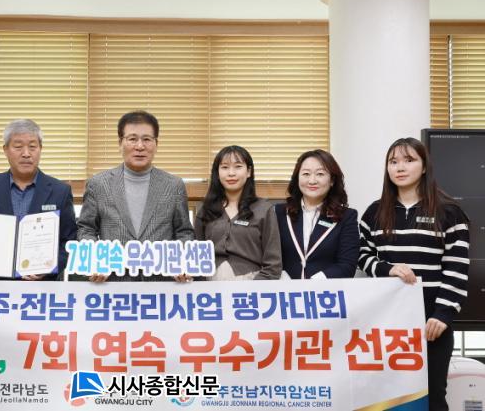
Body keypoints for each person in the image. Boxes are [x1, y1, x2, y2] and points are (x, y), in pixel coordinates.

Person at [359, 137, 469, 411]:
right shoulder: (374, 212)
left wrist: (442, 314)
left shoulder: (449, 212)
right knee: (385, 399)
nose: (400, 167)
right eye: (393, 161)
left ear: (424, 166)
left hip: (431, 324)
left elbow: (457, 267)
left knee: (432, 398)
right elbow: (361, 255)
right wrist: (386, 268)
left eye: (409, 160)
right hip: (386, 324)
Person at [77, 110, 194, 282]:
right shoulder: (99, 184)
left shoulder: (174, 185)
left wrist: (181, 263)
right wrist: (97, 262)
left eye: (147, 139)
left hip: (161, 283)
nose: (140, 146)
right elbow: (86, 229)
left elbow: (183, 232)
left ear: (156, 144)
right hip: (112, 282)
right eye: (132, 139)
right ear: (120, 143)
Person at [0, 119, 77, 280]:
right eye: (18, 147)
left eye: (32, 147)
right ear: (5, 150)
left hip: (42, 287)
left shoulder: (60, 191)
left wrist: (49, 267)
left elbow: (69, 242)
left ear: (40, 149)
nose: (26, 153)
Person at [194, 145, 281, 280]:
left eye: (238, 166)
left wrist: (252, 289)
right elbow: (196, 260)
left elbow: (273, 266)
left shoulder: (264, 209)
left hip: (251, 284)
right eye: (225, 167)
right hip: (210, 285)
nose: (231, 173)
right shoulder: (205, 210)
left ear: (248, 171)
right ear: (217, 173)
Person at [275, 149, 359, 279]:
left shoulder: (347, 217)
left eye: (320, 174)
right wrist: (281, 277)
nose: (312, 180)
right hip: (284, 289)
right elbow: (267, 257)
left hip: (326, 290)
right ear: (297, 178)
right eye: (306, 174)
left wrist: (315, 283)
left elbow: (347, 265)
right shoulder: (278, 213)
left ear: (332, 180)